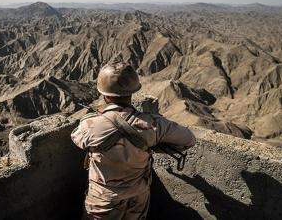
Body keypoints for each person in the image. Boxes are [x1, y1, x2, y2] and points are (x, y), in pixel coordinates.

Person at [71, 61, 196, 220]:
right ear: (132, 92)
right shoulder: (153, 124)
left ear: (104, 94)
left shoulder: (90, 125)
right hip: (138, 196)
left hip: (103, 199)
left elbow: (76, 138)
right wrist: (154, 143)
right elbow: (189, 139)